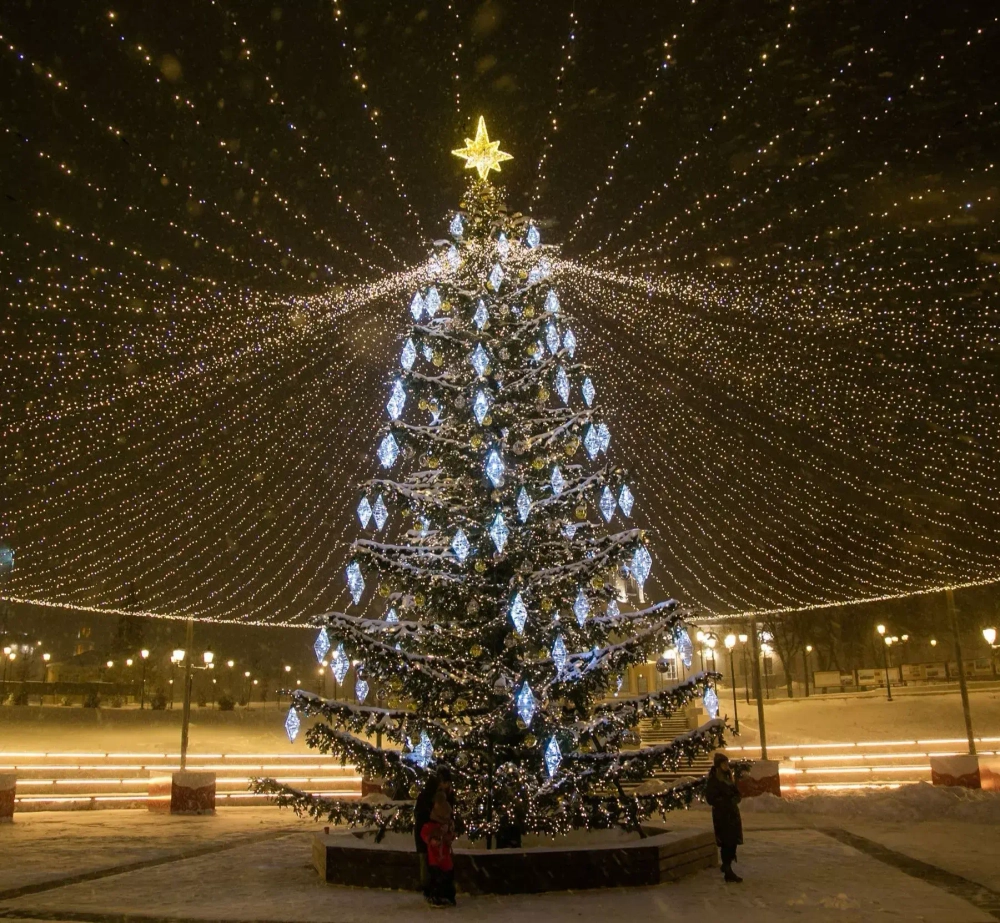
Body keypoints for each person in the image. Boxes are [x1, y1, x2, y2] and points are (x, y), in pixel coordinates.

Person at [414, 768, 454, 898]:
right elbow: (421, 815)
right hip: (428, 833)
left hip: (437, 836)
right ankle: (430, 890)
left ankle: (436, 891)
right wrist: (433, 828)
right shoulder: (429, 794)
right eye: (446, 782)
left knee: (436, 863)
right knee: (427, 861)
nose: (448, 786)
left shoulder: (445, 794)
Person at [704, 751, 744, 883]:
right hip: (722, 815)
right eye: (724, 763)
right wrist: (724, 801)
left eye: (727, 763)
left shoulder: (729, 778)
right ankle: (727, 869)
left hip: (732, 814)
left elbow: (737, 793)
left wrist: (735, 799)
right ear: (718, 765)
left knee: (733, 841)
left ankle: (727, 865)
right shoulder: (714, 780)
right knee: (727, 841)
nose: (727, 766)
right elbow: (711, 798)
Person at [420, 789, 457, 907]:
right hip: (435, 856)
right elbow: (425, 834)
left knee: (446, 876)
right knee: (438, 877)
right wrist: (432, 840)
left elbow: (449, 837)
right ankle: (437, 896)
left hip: (443, 856)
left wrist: (448, 837)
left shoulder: (445, 826)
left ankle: (446, 896)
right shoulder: (431, 826)